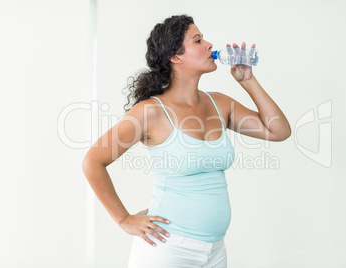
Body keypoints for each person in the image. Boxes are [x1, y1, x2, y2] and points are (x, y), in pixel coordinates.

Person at [82, 14, 291, 268]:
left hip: (215, 252)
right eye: (198, 40)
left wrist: (248, 81)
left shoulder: (220, 103)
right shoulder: (150, 112)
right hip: (167, 250)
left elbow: (278, 131)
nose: (209, 45)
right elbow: (93, 161)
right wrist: (124, 219)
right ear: (175, 56)